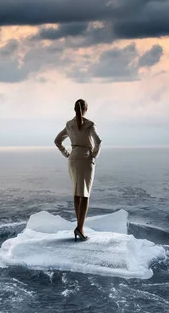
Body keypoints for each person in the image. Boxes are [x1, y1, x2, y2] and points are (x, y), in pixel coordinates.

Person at [54, 99, 102, 242]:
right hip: (85, 159)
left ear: (74, 109)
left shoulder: (69, 124)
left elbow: (57, 141)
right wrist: (93, 155)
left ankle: (79, 226)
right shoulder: (90, 124)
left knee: (76, 193)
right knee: (85, 195)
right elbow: (98, 141)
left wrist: (67, 153)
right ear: (86, 109)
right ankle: (80, 228)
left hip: (73, 159)